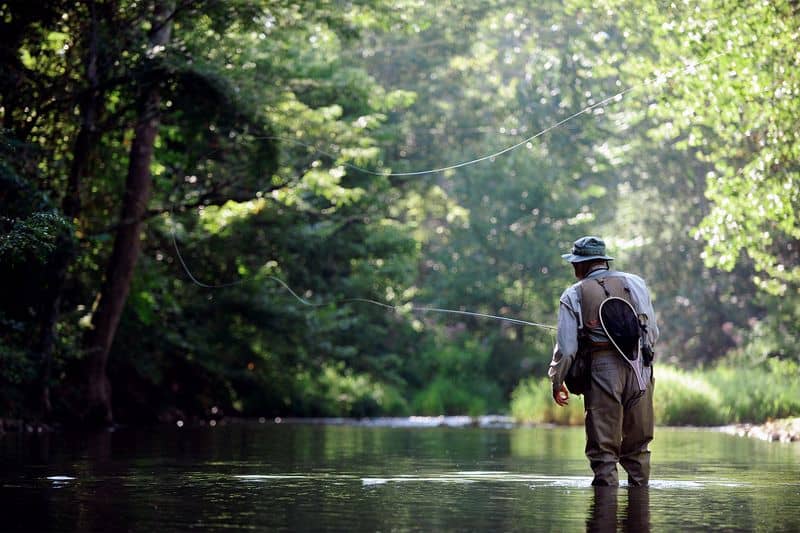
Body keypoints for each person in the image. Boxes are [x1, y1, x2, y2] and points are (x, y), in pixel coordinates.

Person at [548, 236, 658, 486]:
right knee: (639, 449)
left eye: (574, 263)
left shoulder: (573, 294)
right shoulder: (635, 283)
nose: (573, 267)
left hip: (602, 370)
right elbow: (652, 332)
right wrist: (643, 361)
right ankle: (639, 504)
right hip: (640, 368)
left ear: (581, 264)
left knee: (604, 453)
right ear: (603, 261)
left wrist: (557, 380)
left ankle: (604, 506)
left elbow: (567, 350)